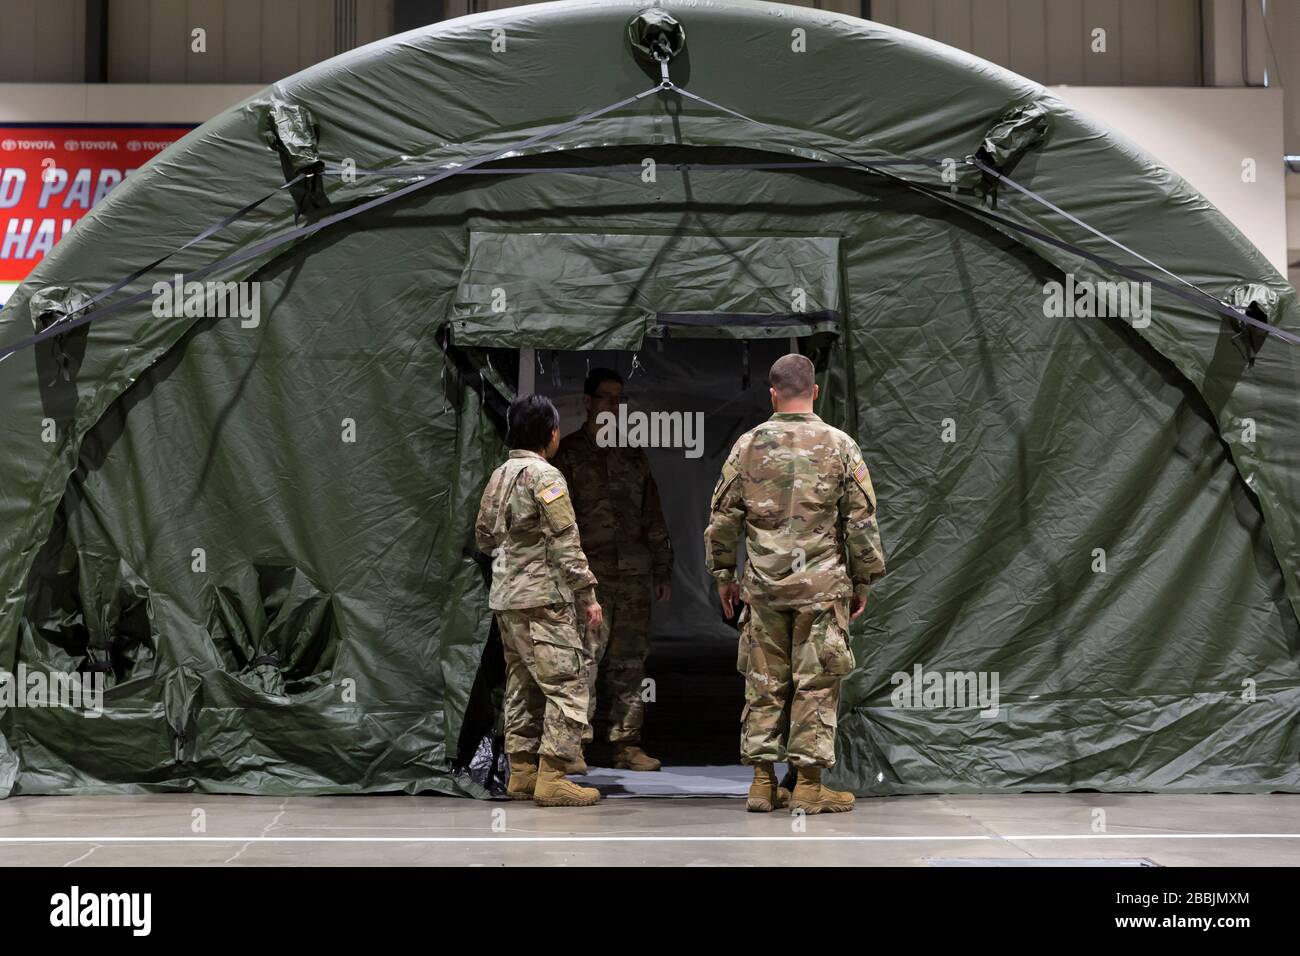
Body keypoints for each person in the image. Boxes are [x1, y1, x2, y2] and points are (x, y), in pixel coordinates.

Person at [704, 354, 886, 813]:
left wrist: (725, 574)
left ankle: (762, 785)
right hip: (821, 590)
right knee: (816, 683)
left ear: (772, 394)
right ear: (815, 391)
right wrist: (862, 579)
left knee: (763, 683)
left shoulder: (746, 446)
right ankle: (807, 786)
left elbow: (723, 518)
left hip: (763, 589)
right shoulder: (841, 446)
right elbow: (861, 522)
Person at [475, 394, 605, 806]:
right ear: (551, 434)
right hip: (544, 599)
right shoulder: (546, 477)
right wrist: (587, 595)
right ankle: (553, 777)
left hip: (507, 599)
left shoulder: (498, 475)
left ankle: (522, 774)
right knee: (568, 684)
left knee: (522, 684)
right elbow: (567, 544)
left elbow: (482, 537)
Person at [553, 368, 673, 772]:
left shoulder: (633, 455)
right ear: (588, 402)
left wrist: (662, 569)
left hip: (634, 575)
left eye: (618, 399)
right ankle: (575, 747)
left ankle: (626, 744)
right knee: (583, 661)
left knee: (631, 662)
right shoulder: (567, 454)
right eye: (605, 398)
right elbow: (557, 522)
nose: (612, 406)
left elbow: (651, 516)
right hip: (591, 578)